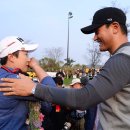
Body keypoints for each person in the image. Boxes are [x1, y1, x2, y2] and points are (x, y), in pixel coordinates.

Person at [1, 7, 130, 130]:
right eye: (26, 54)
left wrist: (33, 88)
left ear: (115, 27)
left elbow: (84, 98)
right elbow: (49, 99)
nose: (94, 37)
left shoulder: (123, 59)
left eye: (97, 31)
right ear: (11, 57)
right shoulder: (9, 80)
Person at [0, 36, 56, 130]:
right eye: (26, 54)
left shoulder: (5, 75)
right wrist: (35, 65)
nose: (28, 59)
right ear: (11, 57)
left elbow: (46, 107)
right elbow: (52, 94)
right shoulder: (13, 80)